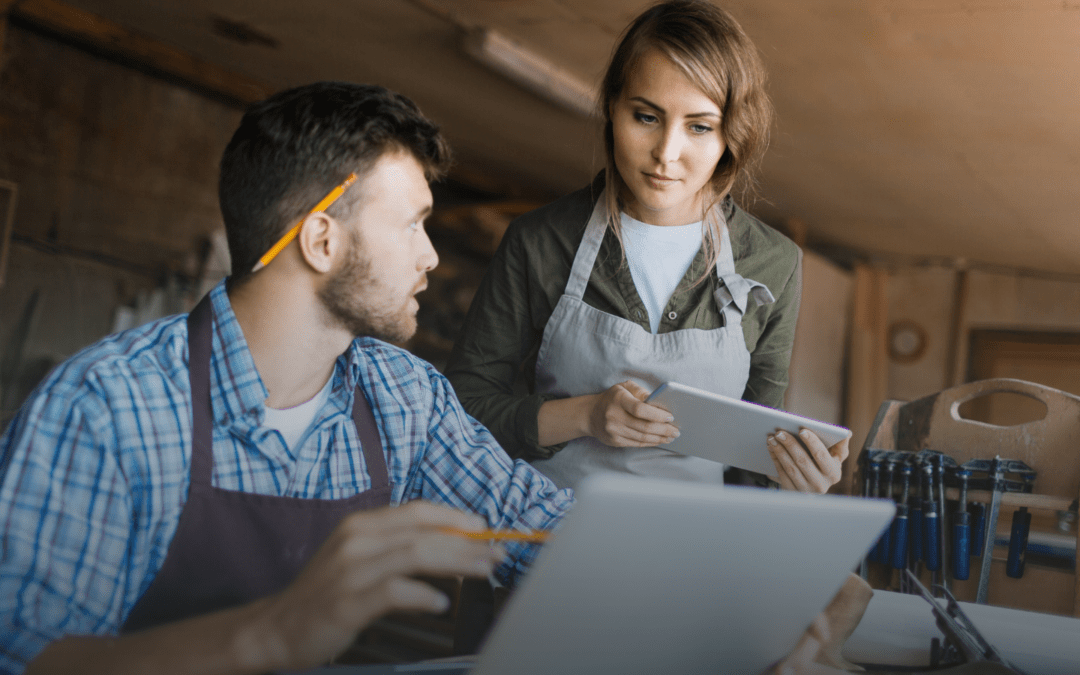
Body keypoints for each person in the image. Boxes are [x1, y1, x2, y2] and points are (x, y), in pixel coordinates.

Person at [0, 82, 574, 675]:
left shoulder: (403, 397)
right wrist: (274, 633)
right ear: (322, 240)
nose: (430, 256)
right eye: (412, 225)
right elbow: (21, 657)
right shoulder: (106, 405)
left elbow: (537, 529)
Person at [445, 0, 848, 492]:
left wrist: (794, 476)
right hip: (546, 535)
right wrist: (585, 416)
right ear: (612, 108)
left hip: (691, 551)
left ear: (730, 135)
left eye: (699, 127)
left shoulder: (773, 262)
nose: (666, 153)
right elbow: (463, 407)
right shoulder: (540, 241)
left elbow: (751, 453)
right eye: (646, 116)